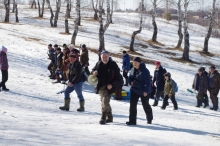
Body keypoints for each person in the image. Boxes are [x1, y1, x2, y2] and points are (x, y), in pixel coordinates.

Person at [91, 50, 123, 125]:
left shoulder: (113, 65)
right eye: (103, 57)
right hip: (101, 86)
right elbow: (92, 70)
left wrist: (112, 84)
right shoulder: (99, 63)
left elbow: (119, 78)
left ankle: (103, 118)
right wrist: (94, 72)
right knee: (104, 102)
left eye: (106, 57)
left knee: (104, 102)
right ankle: (110, 117)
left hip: (109, 87)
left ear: (109, 56)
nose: (104, 58)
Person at [126, 57, 153, 125]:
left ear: (139, 63)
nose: (135, 64)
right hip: (135, 90)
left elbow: (148, 82)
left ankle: (149, 118)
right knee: (132, 105)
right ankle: (132, 121)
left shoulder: (145, 71)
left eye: (136, 62)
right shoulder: (132, 70)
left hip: (144, 91)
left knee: (145, 105)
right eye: (134, 62)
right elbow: (129, 78)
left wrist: (146, 91)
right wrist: (131, 82)